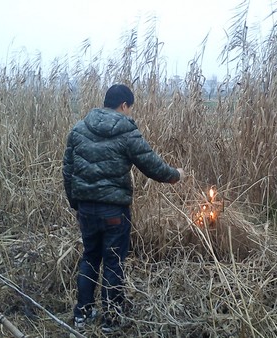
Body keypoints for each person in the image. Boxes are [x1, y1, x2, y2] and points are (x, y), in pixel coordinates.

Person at [62, 84, 184, 332]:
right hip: (113, 212)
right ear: (124, 105)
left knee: (89, 257)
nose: (129, 113)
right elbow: (152, 166)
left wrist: (76, 203)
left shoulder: (78, 129)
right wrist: (176, 175)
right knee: (114, 262)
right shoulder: (127, 131)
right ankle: (111, 319)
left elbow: (68, 171)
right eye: (130, 108)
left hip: (86, 208)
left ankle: (82, 314)